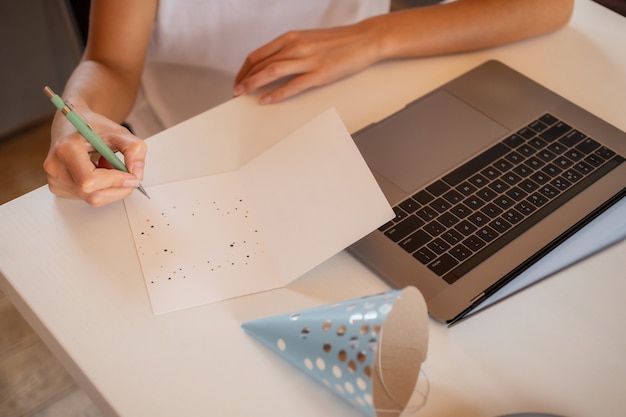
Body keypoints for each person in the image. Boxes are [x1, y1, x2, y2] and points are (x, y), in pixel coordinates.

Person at [44, 0, 574, 207]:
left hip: (360, 136)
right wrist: (77, 116)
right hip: (201, 164)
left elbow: (547, 6)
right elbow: (111, 64)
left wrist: (375, 37)